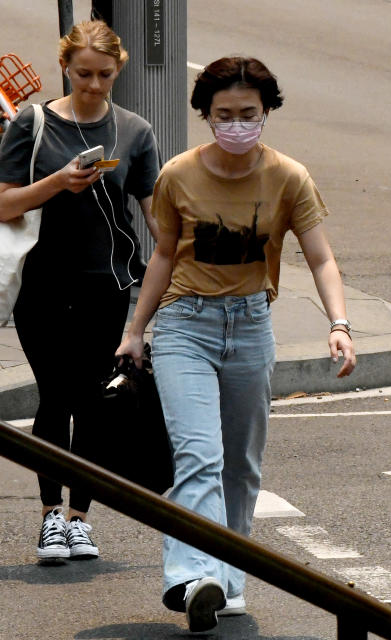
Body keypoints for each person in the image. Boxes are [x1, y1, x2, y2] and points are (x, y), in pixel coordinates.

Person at [115, 56, 356, 633]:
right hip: (184, 325)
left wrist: (340, 324)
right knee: (199, 456)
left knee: (242, 467)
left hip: (251, 325)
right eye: (224, 114)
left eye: (249, 113)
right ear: (206, 115)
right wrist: (134, 331)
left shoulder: (288, 177)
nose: (237, 124)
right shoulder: (177, 175)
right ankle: (190, 579)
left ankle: (230, 577)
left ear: (267, 112)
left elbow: (320, 256)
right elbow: (165, 256)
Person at [0, 20, 160, 565]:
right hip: (40, 286)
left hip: (105, 286)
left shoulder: (135, 131)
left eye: (105, 75)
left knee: (91, 399)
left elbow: (153, 212)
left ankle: (79, 519)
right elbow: (3, 203)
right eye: (83, 73)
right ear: (65, 66)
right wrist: (57, 182)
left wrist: (178, 274)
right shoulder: (33, 122)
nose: (93, 85)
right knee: (54, 394)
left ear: (120, 69)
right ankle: (50, 518)